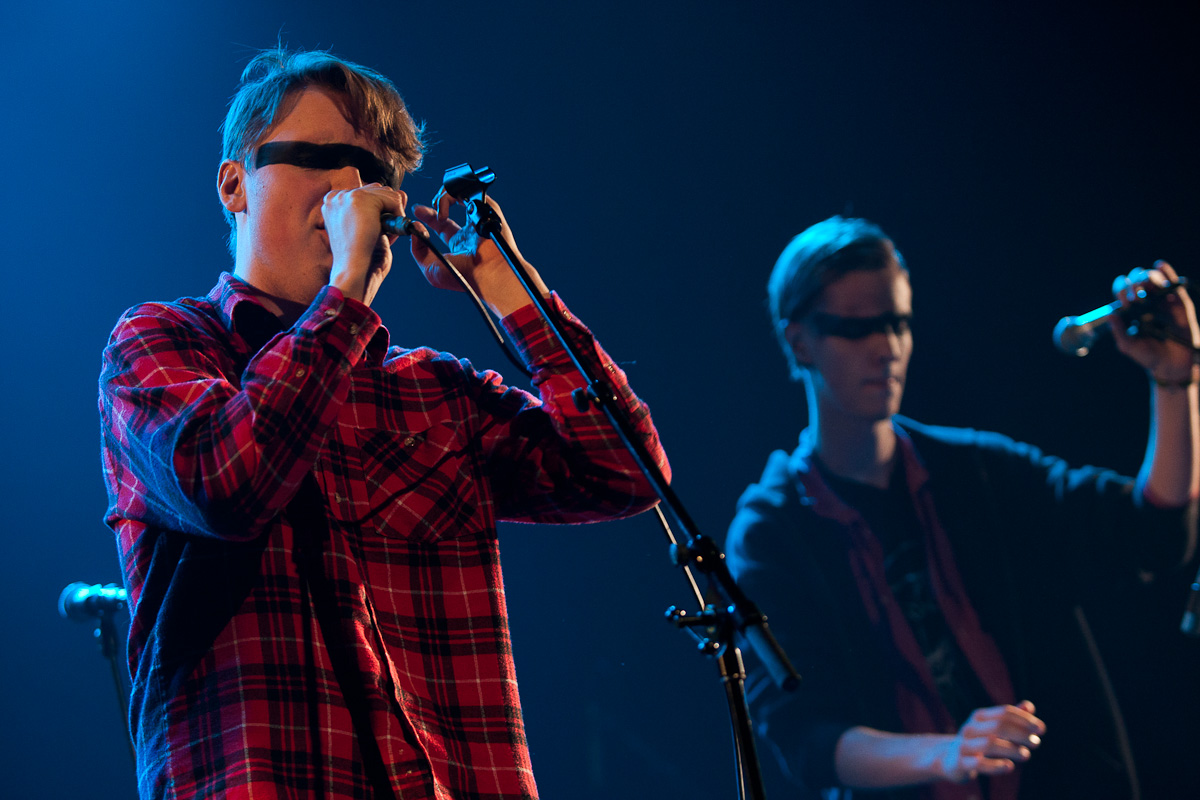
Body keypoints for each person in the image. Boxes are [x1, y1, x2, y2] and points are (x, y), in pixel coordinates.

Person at [98, 48, 669, 800]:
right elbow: (228, 484)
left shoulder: (434, 390)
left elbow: (624, 473)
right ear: (234, 183)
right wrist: (346, 295)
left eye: (371, 175)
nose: (346, 188)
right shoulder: (161, 344)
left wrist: (509, 288)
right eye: (316, 158)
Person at [725, 216, 1198, 800]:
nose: (887, 348)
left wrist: (1174, 380)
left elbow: (1154, 533)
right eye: (857, 328)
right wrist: (948, 753)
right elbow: (805, 738)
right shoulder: (772, 533)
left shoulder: (980, 471)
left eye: (898, 324)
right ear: (800, 342)